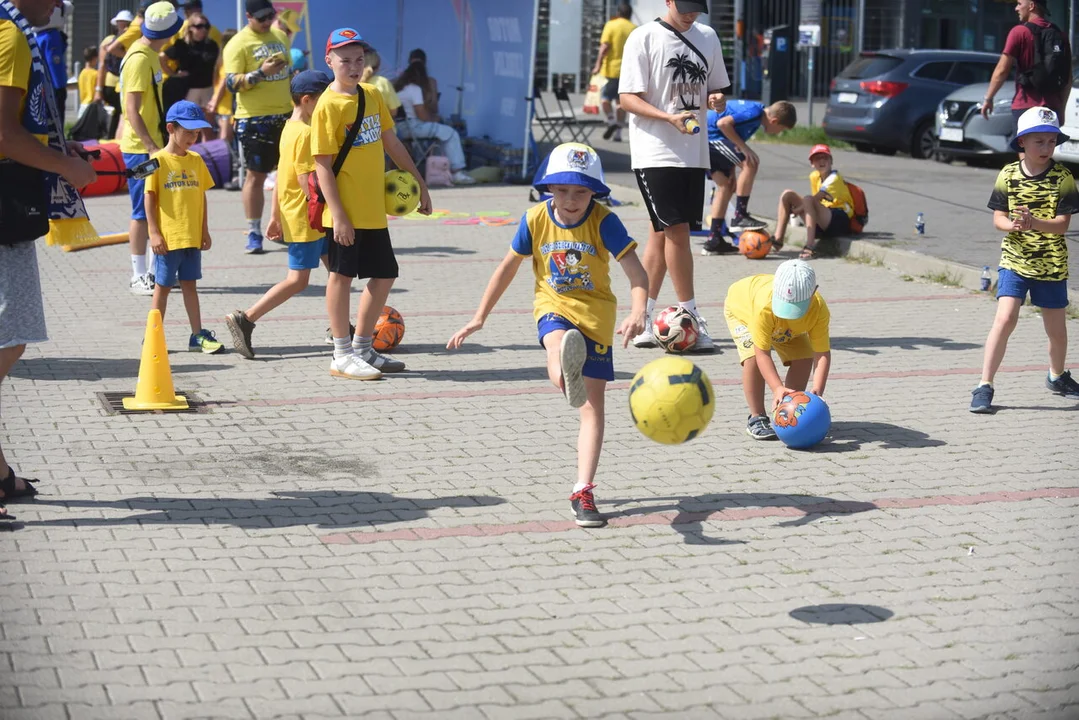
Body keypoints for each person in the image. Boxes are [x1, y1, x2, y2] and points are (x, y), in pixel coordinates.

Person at [447, 143, 647, 528]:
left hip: (597, 314)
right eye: (563, 190)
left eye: (582, 191)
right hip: (552, 306)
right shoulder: (535, 218)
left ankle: (583, 489)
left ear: (595, 192)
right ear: (548, 189)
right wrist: (479, 317)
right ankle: (562, 367)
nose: (572, 200)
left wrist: (639, 311)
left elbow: (638, 275)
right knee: (556, 343)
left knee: (591, 411)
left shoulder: (606, 221)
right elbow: (506, 269)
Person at [0, 0, 97, 518]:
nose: (61, 6)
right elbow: (4, 133)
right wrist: (66, 167)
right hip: (4, 203)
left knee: (10, 335)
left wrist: (61, 152)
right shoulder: (9, 36)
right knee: (9, 337)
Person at [312, 28, 432, 380]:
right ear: (329, 60)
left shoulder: (371, 94)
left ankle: (364, 348)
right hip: (345, 211)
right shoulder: (327, 106)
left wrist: (420, 184)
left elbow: (392, 144)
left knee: (384, 274)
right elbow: (322, 166)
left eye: (359, 60)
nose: (353, 66)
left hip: (373, 209)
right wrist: (338, 215)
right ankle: (341, 353)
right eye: (345, 60)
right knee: (341, 277)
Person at [618, 0, 730, 352]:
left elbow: (716, 88)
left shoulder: (708, 37)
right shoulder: (643, 37)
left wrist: (716, 99)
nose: (690, 15)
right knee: (678, 232)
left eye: (697, 9)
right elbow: (627, 98)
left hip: (693, 152)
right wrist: (668, 118)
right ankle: (692, 316)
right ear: (667, 1)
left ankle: (646, 319)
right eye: (684, 7)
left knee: (660, 235)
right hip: (655, 150)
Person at [971, 106, 1079, 413]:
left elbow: (1062, 225)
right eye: (1039, 142)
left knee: (1056, 332)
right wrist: (1014, 225)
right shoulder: (1007, 174)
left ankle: (1056, 376)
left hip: (1052, 265)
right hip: (1015, 261)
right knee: (1005, 319)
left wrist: (1035, 223)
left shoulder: (1064, 177)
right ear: (1022, 142)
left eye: (1051, 141)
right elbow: (998, 219)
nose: (1046, 148)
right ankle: (984, 385)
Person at [224, 70, 334, 358]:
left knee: (338, 272)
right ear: (308, 100)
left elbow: (280, 174)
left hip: (304, 213)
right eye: (325, 99)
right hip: (307, 216)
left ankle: (340, 328)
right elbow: (302, 178)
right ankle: (245, 319)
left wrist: (273, 215)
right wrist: (334, 206)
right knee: (298, 280)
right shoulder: (307, 133)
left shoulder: (291, 127)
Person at [145, 100, 223, 354]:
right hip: (168, 239)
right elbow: (149, 197)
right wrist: (154, 233)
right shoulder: (157, 161)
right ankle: (153, 337)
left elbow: (201, 196)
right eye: (188, 132)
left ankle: (197, 335)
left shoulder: (197, 160)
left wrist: (205, 230)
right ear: (170, 128)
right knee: (163, 288)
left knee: (190, 285)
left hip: (191, 237)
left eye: (196, 132)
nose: (193, 137)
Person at [723, 260, 831, 440]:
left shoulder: (819, 309)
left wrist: (817, 391)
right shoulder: (764, 307)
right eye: (785, 306)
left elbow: (821, 353)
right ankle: (757, 417)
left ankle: (789, 411)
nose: (789, 313)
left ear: (814, 292)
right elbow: (762, 353)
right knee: (751, 358)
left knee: (804, 356)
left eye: (797, 308)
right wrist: (777, 387)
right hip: (742, 311)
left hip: (785, 329)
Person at [119, 0, 182, 296]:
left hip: (151, 143)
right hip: (140, 148)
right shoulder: (139, 58)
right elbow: (131, 108)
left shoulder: (150, 55)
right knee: (141, 212)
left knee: (157, 208)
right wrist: (150, 146)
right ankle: (137, 274)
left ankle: (159, 271)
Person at [224, 0, 292, 254]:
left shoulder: (280, 36)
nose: (267, 22)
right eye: (261, 18)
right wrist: (261, 72)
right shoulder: (238, 43)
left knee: (290, 175)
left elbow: (288, 74)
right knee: (256, 175)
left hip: (285, 115)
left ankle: (285, 227)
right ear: (249, 17)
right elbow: (231, 84)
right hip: (254, 118)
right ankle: (254, 231)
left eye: (270, 16)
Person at [700, 99, 796, 255]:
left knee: (726, 186)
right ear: (774, 121)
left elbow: (731, 139)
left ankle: (714, 240)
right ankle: (740, 215)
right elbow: (723, 124)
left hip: (709, 140)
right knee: (751, 162)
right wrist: (745, 149)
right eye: (781, 129)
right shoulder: (754, 113)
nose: (779, 133)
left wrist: (731, 168)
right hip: (709, 136)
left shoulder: (755, 116)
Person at [982, 0, 1071, 130]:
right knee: (1045, 149)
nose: (1016, 8)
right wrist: (1061, 109)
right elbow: (1067, 78)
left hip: (1025, 106)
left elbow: (1002, 70)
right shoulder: (1060, 35)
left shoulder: (1019, 32)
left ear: (1031, 6)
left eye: (1019, 3)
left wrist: (988, 99)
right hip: (1051, 108)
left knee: (1025, 149)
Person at [393, 59, 474, 184]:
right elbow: (422, 115)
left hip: (400, 128)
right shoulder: (414, 89)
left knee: (441, 134)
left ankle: (442, 170)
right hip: (414, 127)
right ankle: (457, 171)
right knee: (450, 133)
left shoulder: (399, 89)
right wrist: (435, 118)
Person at [770, 144, 854, 260]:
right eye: (817, 158)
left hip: (839, 220)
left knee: (808, 199)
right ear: (812, 164)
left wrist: (796, 210)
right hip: (823, 220)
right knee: (787, 194)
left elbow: (815, 199)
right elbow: (813, 204)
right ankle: (778, 239)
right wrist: (797, 208)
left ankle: (810, 246)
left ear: (831, 161)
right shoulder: (814, 176)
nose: (822, 161)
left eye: (825, 157)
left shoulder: (834, 178)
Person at [162, 9, 219, 138]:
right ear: (191, 28)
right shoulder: (182, 44)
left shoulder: (211, 44)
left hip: (207, 89)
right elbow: (162, 58)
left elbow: (217, 67)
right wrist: (173, 74)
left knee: (207, 127)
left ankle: (207, 156)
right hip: (188, 90)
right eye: (199, 26)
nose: (203, 30)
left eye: (206, 26)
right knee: (189, 128)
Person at [591, 3, 635, 142]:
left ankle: (611, 120)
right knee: (621, 103)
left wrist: (597, 64)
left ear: (618, 12)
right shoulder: (634, 29)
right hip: (627, 72)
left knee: (605, 98)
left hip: (610, 69)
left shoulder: (611, 25)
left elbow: (604, 47)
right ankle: (618, 133)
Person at [94, 9, 131, 139]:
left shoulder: (108, 40)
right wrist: (98, 89)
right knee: (122, 113)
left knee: (119, 113)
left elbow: (102, 65)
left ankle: (111, 139)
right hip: (119, 82)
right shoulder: (130, 41)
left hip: (112, 82)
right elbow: (102, 65)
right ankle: (115, 139)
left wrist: (98, 89)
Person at [207, 28, 237, 187]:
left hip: (224, 107)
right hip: (226, 107)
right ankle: (223, 174)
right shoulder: (228, 58)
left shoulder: (222, 57)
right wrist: (214, 100)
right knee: (224, 143)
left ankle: (223, 173)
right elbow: (224, 82)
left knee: (224, 142)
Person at [32, 0, 69, 127]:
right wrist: (60, 88)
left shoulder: (39, 35)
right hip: (54, 85)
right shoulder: (51, 36)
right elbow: (55, 63)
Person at [360, 48, 401, 119]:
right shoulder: (383, 82)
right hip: (384, 128)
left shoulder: (348, 84)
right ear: (378, 67)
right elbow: (394, 112)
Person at [403, 48, 439, 120]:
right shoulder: (431, 82)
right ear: (425, 64)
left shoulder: (400, 81)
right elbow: (435, 108)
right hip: (422, 120)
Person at [77, 45, 98, 110]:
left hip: (83, 105)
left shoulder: (81, 73)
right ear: (94, 58)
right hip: (92, 106)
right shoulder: (96, 74)